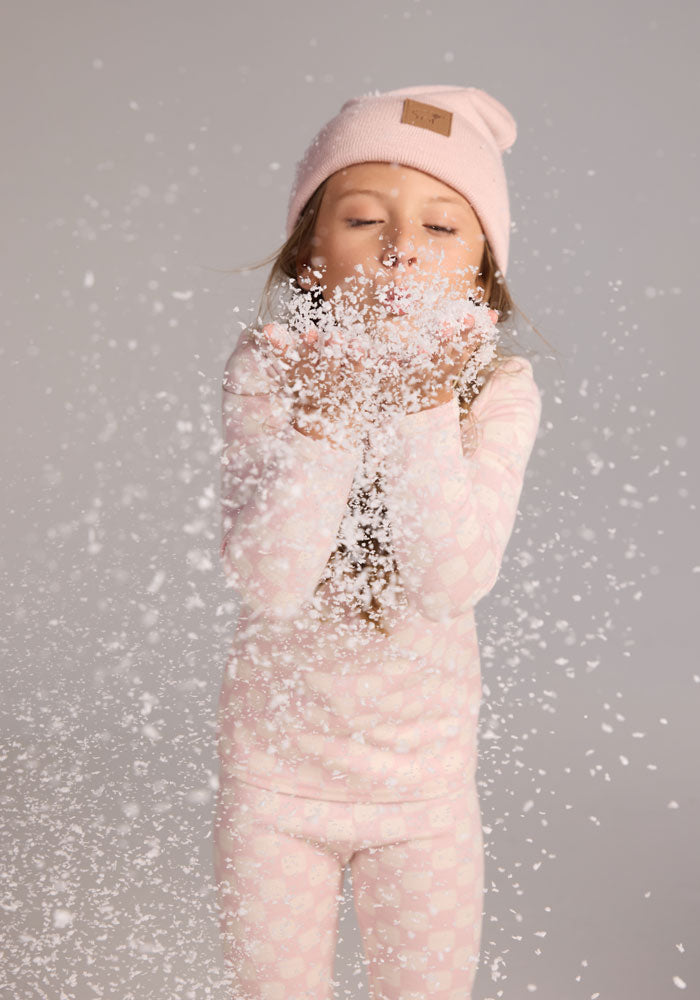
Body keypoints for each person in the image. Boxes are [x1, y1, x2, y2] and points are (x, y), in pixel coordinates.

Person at [212, 84, 544, 1000]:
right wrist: (324, 423)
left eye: (443, 228)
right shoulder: (273, 368)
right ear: (312, 259)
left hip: (423, 796)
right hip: (276, 790)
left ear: (481, 276)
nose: (402, 248)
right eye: (364, 219)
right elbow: (271, 580)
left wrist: (417, 402)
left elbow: (451, 577)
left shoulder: (496, 391)